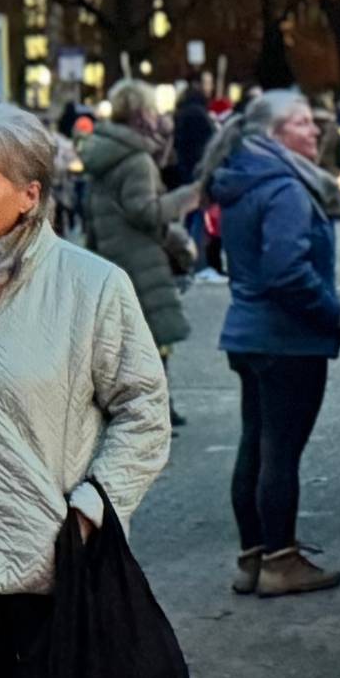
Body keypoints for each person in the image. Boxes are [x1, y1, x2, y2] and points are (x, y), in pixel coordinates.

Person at [0, 105, 171, 678]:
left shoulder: (93, 287)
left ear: (29, 192)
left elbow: (144, 411)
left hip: (62, 568)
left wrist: (91, 506)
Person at [204, 91, 340, 597]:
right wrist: (333, 313)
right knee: (280, 451)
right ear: (274, 135)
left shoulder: (243, 181)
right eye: (303, 123)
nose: (315, 131)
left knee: (256, 444)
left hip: (248, 332)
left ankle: (254, 554)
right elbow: (287, 271)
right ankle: (281, 560)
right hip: (288, 337)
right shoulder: (285, 188)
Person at [77, 82, 194, 429]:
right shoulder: (137, 159)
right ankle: (155, 411)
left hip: (110, 252)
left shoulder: (105, 152)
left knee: (125, 340)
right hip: (139, 257)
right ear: (143, 113)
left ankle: (142, 408)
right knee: (152, 338)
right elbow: (144, 211)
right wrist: (186, 198)